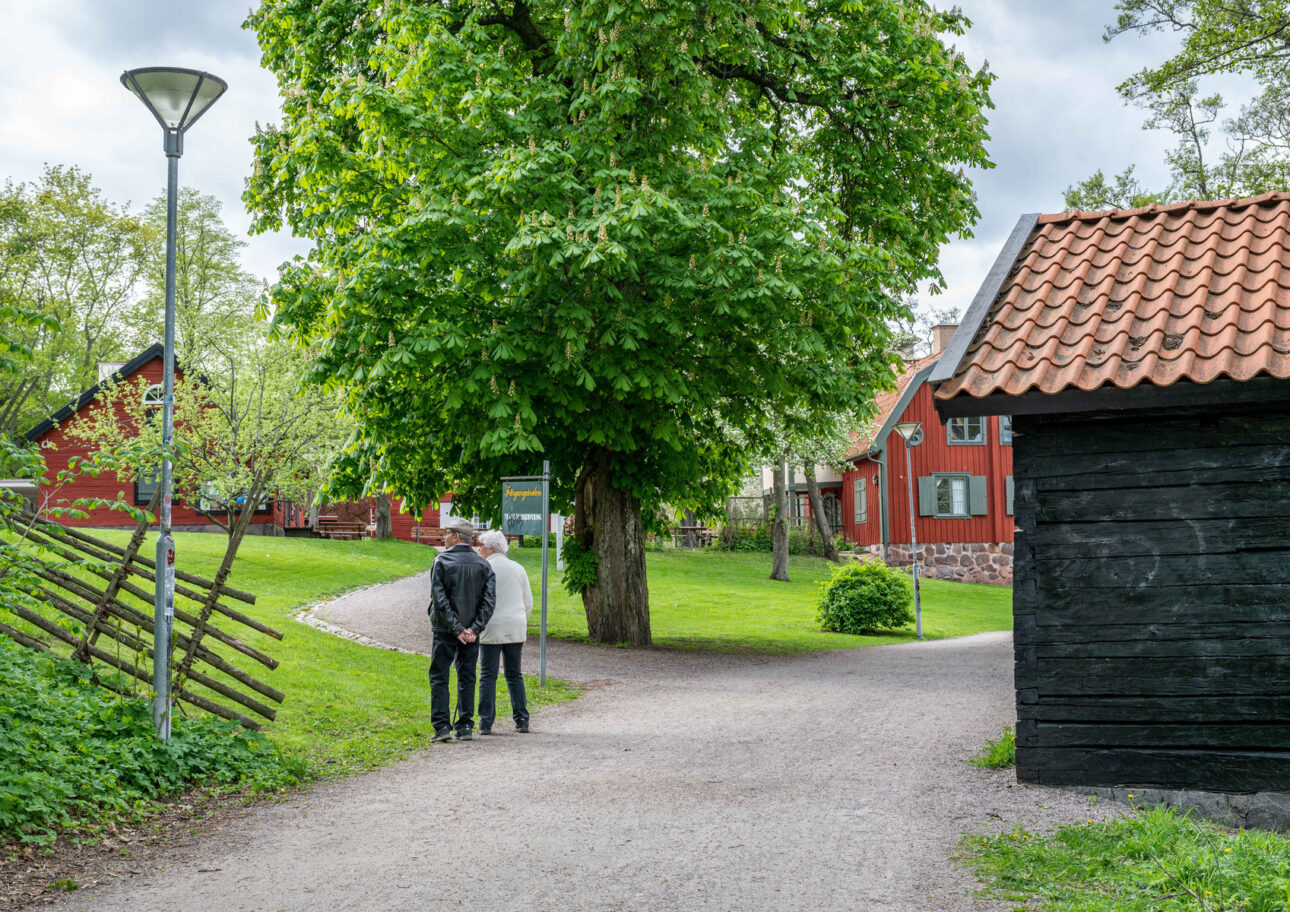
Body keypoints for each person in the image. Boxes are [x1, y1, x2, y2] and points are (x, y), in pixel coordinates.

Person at [427, 517, 495, 742]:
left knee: (440, 675)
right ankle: (465, 725)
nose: (444, 537)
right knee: (467, 676)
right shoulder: (483, 565)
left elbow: (440, 599)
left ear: (456, 536)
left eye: (447, 533)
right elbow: (489, 602)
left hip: (445, 629)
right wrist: (473, 629)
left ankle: (441, 726)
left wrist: (456, 628)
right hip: (470, 631)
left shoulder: (442, 561)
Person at [476, 529, 533, 734]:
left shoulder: (484, 567)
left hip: (492, 625)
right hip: (515, 624)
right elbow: (528, 602)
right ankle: (522, 718)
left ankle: (485, 722)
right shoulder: (518, 568)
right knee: (514, 673)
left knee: (488, 675)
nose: (479, 548)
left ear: (491, 548)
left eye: (481, 545)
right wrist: (520, 619)